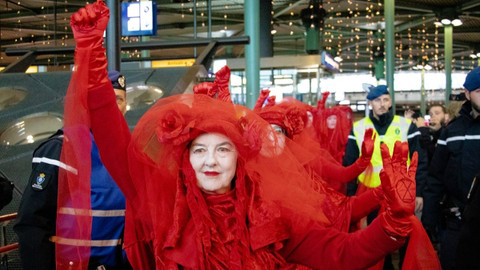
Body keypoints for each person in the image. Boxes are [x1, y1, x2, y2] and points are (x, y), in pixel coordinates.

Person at [64, 1, 421, 269]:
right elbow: (114, 143)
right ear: (185, 156)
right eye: (199, 150)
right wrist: (91, 54)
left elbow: (341, 254)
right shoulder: (167, 210)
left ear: (240, 156)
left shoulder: (272, 215)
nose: (211, 161)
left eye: (223, 149)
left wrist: (393, 223)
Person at [13, 70, 131, 270]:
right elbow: (32, 223)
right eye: (104, 99)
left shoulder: (128, 151)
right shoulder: (60, 149)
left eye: (118, 100)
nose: (112, 106)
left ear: (125, 107)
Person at [343, 85, 429, 269]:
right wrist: (350, 198)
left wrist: (419, 192)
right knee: (377, 246)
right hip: (369, 199)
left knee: (405, 240)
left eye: (385, 100)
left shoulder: (406, 126)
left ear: (390, 101)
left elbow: (419, 161)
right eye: (377, 100)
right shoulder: (358, 128)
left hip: (400, 197)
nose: (382, 104)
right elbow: (349, 165)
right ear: (370, 103)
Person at [422, 66, 480, 270]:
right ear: (467, 94)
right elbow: (436, 177)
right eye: (479, 91)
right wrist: (428, 221)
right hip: (457, 223)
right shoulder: (452, 131)